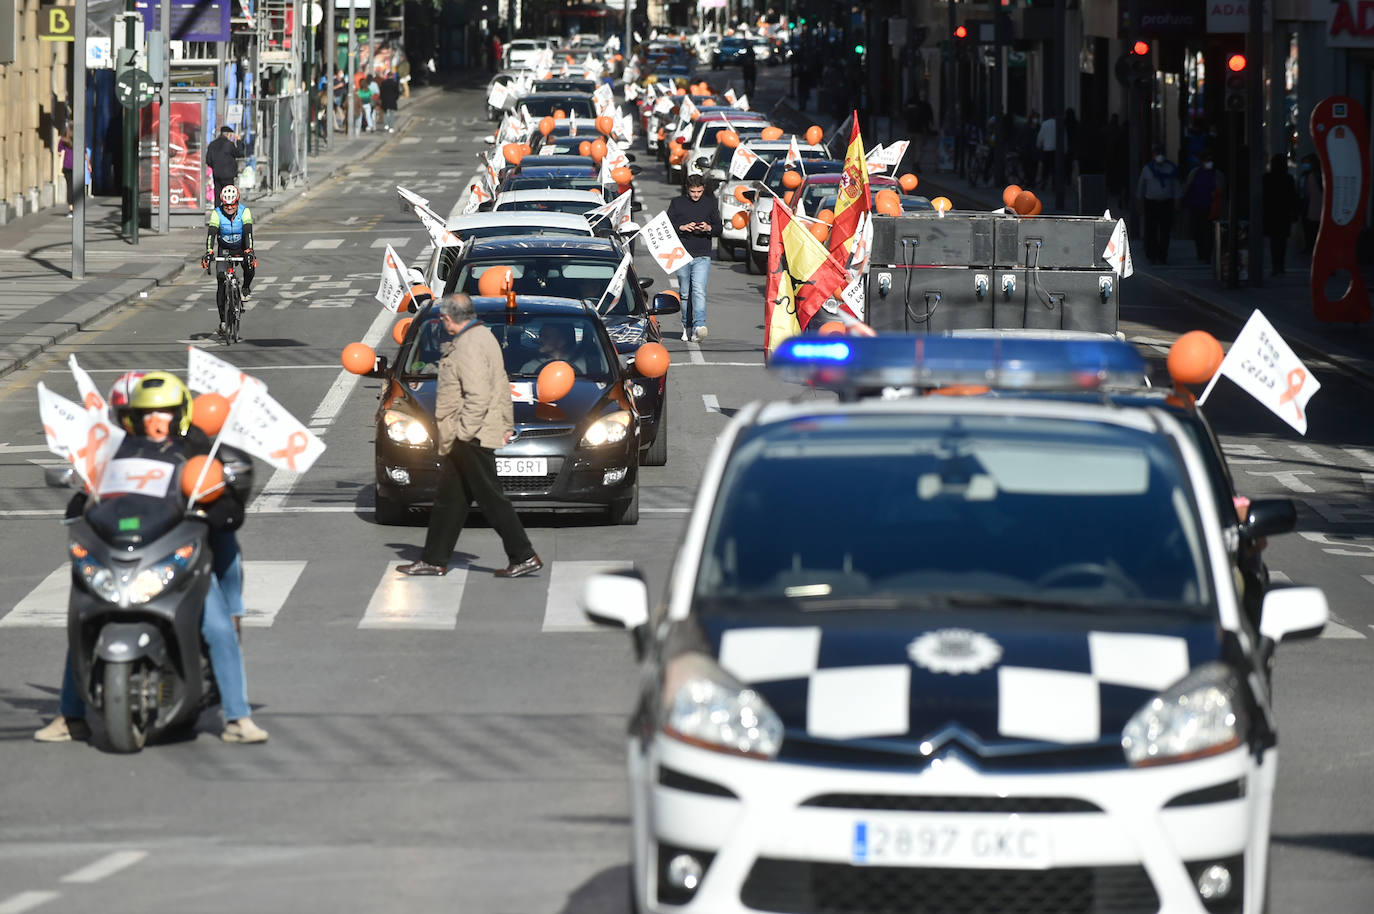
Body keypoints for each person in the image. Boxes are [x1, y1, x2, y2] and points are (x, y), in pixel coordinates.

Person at [34, 372, 268, 745]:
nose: (155, 423)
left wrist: (220, 505)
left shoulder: (198, 447)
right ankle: (69, 716)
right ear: (132, 418)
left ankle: (238, 718)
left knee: (219, 628)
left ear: (181, 415)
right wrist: (82, 506)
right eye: (146, 416)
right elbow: (93, 490)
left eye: (164, 415)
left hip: (177, 552)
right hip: (127, 549)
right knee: (84, 619)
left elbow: (225, 497)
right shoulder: (116, 450)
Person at [398, 293, 543, 579]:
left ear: (449, 319)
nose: (442, 323)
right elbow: (501, 384)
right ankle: (434, 559)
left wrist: (463, 433)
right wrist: (505, 423)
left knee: (490, 498)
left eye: (443, 319)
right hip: (471, 432)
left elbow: (477, 395)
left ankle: (524, 554)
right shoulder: (483, 336)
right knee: (450, 500)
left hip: (470, 434)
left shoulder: (468, 346)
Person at [666, 174, 722, 342]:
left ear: (703, 189)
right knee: (684, 293)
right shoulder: (677, 203)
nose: (696, 195)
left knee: (698, 290)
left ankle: (699, 326)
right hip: (681, 254)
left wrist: (708, 227)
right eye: (693, 191)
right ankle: (686, 326)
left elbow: (719, 228)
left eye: (699, 191)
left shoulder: (710, 204)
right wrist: (682, 227)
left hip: (702, 254)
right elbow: (667, 225)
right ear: (687, 189)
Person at [201, 184, 256, 337]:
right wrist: (209, 252)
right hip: (224, 249)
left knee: (250, 267)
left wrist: (249, 251)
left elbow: (248, 234)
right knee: (220, 280)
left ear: (237, 202)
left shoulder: (245, 212)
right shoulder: (216, 213)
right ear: (222, 204)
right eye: (227, 205)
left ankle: (245, 288)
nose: (230, 208)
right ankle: (223, 321)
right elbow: (211, 234)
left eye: (233, 205)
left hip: (241, 246)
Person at [1137, 143, 1181, 265]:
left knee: (1165, 230)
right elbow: (1141, 187)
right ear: (1153, 155)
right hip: (1151, 203)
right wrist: (1139, 203)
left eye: (1161, 154)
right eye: (1157, 154)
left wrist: (1177, 201)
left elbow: (1176, 187)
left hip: (1166, 203)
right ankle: (1152, 254)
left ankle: (1163, 256)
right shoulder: (1147, 169)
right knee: (1151, 230)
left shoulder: (1171, 168)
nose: (1159, 156)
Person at [1180, 150, 1222, 264]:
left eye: (1210, 160)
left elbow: (1221, 189)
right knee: (1198, 230)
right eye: (1206, 160)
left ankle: (1207, 254)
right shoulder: (1195, 172)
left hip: (1211, 207)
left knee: (1208, 231)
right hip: (1196, 206)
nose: (1209, 163)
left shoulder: (1216, 174)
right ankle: (1201, 253)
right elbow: (1187, 187)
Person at [1262, 153, 1299, 276]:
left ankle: (1275, 265)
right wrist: (1294, 213)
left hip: (1271, 213)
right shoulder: (1288, 179)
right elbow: (1293, 197)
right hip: (1284, 213)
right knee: (1282, 241)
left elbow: (1263, 197)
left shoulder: (1267, 178)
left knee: (1274, 241)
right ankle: (1281, 265)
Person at [204, 125, 243, 203]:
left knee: (218, 195)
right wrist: (238, 141)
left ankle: (217, 213)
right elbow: (240, 153)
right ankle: (229, 213)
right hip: (228, 175)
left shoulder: (212, 144)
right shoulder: (229, 144)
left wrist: (215, 167)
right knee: (229, 196)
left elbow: (208, 160)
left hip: (217, 174)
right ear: (228, 134)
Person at [1299, 153, 1321, 255]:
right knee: (1307, 228)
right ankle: (1309, 246)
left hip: (1313, 205)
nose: (1305, 165)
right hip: (1307, 204)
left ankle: (1312, 247)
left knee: (1312, 228)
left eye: (1307, 163)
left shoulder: (1316, 175)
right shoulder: (1305, 175)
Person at [58, 126, 75, 217]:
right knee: (76, 186)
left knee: (70, 187)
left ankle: (71, 208)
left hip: (67, 165)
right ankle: (76, 206)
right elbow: (84, 151)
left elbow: (59, 152)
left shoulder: (63, 140)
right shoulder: (78, 138)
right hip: (77, 165)